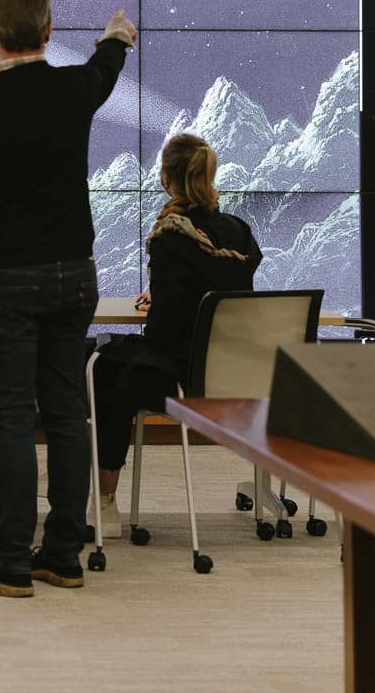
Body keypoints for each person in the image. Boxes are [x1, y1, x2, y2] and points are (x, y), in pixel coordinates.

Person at [0, 0, 136, 597]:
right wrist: (114, 38)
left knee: (11, 418)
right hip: (75, 278)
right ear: (49, 33)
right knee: (69, 414)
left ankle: (11, 560)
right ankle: (63, 555)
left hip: (6, 283)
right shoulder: (72, 89)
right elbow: (104, 69)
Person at [90, 133, 262, 538]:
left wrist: (163, 302)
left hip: (180, 380)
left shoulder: (170, 235)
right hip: (234, 374)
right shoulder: (239, 233)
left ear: (168, 179)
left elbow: (165, 332)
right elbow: (221, 294)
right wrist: (169, 295)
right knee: (116, 362)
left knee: (102, 366)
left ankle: (102, 499)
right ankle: (95, 491)